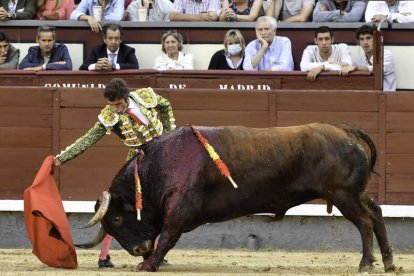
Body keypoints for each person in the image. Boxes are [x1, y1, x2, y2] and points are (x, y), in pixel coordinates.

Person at [54, 78, 176, 268]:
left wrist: (169, 134)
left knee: (160, 206)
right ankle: (104, 256)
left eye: (118, 105)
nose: (115, 110)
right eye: (111, 105)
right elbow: (89, 138)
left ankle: (155, 253)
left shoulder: (145, 97)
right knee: (117, 208)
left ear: (127, 97)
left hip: (162, 156)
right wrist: (62, 158)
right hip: (137, 160)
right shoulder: (109, 116)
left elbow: (165, 105)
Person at [345, 24, 396, 91]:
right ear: (359, 42)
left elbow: (376, 69)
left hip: (388, 98)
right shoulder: (359, 60)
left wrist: (356, 68)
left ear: (375, 39)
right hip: (368, 97)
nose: (365, 42)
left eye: (368, 38)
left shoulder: (386, 54)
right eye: (362, 39)